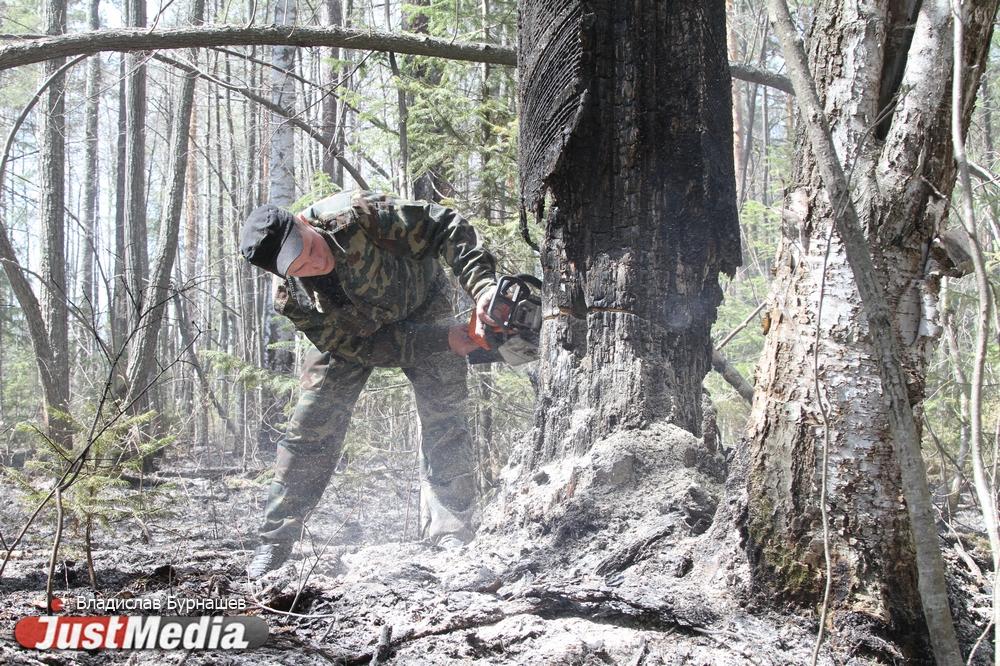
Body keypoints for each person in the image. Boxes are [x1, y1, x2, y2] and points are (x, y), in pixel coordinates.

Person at [238, 189, 500, 577]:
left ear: (304, 223)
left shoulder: (359, 216)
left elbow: (443, 224)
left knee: (445, 416)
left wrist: (483, 288)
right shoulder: (293, 300)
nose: (312, 261)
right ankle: (274, 542)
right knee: (311, 428)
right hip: (354, 339)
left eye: (306, 247)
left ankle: (452, 530)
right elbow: (362, 348)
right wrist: (438, 340)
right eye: (297, 265)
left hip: (424, 302)